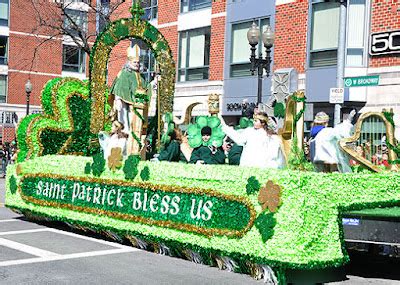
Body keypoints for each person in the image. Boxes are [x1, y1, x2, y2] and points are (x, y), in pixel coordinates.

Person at [109, 44, 152, 155]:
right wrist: (118, 99)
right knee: (126, 125)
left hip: (138, 108)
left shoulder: (140, 76)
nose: (137, 64)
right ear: (129, 62)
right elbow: (119, 89)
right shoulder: (124, 74)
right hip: (126, 107)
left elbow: (146, 88)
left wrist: (154, 83)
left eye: (138, 62)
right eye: (134, 62)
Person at [219, 113, 286, 169]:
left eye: (256, 121)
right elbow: (239, 139)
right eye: (254, 120)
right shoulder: (249, 131)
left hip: (262, 164)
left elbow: (274, 152)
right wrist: (227, 129)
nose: (254, 122)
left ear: (263, 123)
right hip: (248, 162)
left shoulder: (270, 136)